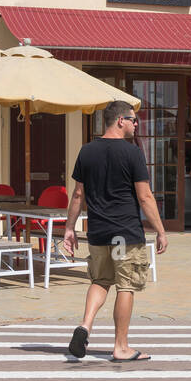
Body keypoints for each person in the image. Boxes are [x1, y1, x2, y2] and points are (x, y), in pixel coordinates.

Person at [63, 100, 167, 363]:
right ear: (120, 120)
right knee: (126, 285)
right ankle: (121, 347)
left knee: (100, 281)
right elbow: (145, 197)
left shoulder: (86, 151)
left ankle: (85, 326)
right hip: (125, 232)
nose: (136, 124)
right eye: (133, 120)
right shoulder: (132, 153)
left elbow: (77, 194)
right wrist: (161, 231)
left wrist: (69, 229)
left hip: (98, 232)